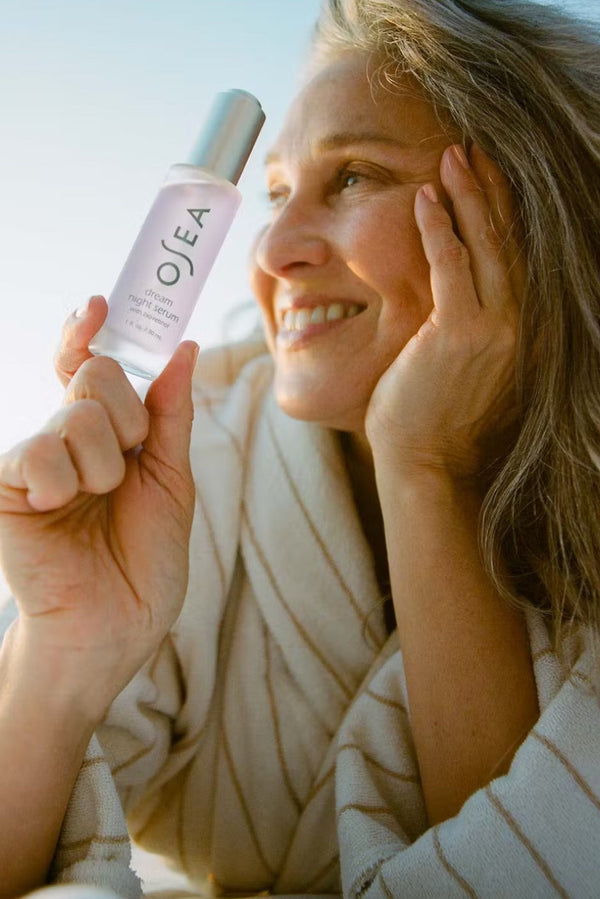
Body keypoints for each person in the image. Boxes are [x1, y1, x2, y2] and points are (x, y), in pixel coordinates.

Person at [1, 0, 599, 896]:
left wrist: (423, 467)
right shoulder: (198, 463)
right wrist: (62, 651)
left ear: (517, 219)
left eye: (353, 177)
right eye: (275, 193)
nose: (274, 249)